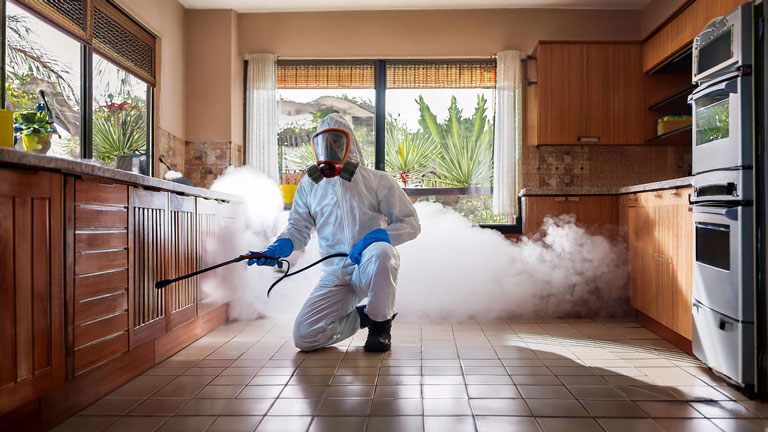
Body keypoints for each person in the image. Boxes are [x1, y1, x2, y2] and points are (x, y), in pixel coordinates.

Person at [247, 114, 420, 352]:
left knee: (382, 252)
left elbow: (410, 222)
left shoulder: (377, 180)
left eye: (337, 142)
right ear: (317, 146)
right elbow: (298, 228)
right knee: (305, 336)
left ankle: (380, 327)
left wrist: (376, 238)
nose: (330, 148)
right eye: (324, 143)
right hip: (336, 272)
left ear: (351, 144)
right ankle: (364, 317)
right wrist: (278, 248)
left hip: (368, 266)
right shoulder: (310, 185)